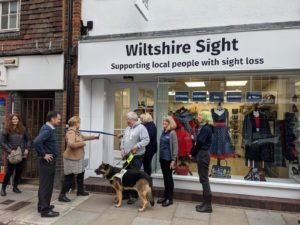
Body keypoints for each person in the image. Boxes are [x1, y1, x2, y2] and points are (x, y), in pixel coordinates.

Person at [59, 116, 99, 202]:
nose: (79, 124)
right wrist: (82, 144)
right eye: (79, 122)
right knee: (69, 177)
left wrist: (94, 137)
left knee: (81, 173)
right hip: (71, 158)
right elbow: (71, 144)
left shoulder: (76, 132)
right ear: (75, 123)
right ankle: (62, 195)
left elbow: (83, 137)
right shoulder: (71, 133)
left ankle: (80, 191)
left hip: (78, 158)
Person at [34, 111, 61, 218]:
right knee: (46, 185)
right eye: (58, 119)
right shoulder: (47, 129)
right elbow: (36, 142)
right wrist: (43, 154)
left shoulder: (47, 128)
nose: (60, 121)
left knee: (44, 184)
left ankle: (42, 206)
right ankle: (45, 210)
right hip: (47, 162)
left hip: (47, 162)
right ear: (52, 119)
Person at [120, 112, 150, 204]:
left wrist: (137, 146)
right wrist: (122, 149)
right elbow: (123, 140)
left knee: (133, 176)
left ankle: (133, 196)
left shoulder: (141, 128)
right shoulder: (127, 128)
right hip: (126, 156)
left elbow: (146, 140)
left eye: (128, 119)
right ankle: (125, 194)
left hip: (136, 156)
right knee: (124, 174)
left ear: (132, 119)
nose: (127, 121)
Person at [0, 113, 30, 196]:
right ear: (10, 120)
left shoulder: (23, 129)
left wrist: (27, 148)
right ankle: (3, 188)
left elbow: (28, 140)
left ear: (19, 120)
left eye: (16, 119)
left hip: (22, 153)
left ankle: (15, 187)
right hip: (12, 154)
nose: (15, 120)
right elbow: (2, 142)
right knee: (9, 172)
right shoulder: (6, 129)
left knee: (19, 172)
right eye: (13, 119)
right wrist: (10, 150)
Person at [191, 110, 214, 213]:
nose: (198, 117)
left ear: (205, 117)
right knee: (203, 179)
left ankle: (208, 205)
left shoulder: (206, 128)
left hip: (203, 154)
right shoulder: (206, 128)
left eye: (200, 115)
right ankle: (205, 203)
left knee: (204, 179)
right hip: (203, 154)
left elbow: (199, 143)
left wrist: (192, 153)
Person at [157, 116, 178, 207]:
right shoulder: (163, 131)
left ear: (170, 123)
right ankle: (165, 196)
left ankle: (170, 198)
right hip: (162, 158)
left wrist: (173, 160)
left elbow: (175, 147)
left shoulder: (172, 133)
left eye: (166, 121)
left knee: (169, 179)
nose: (164, 123)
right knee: (165, 178)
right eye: (163, 121)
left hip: (169, 159)